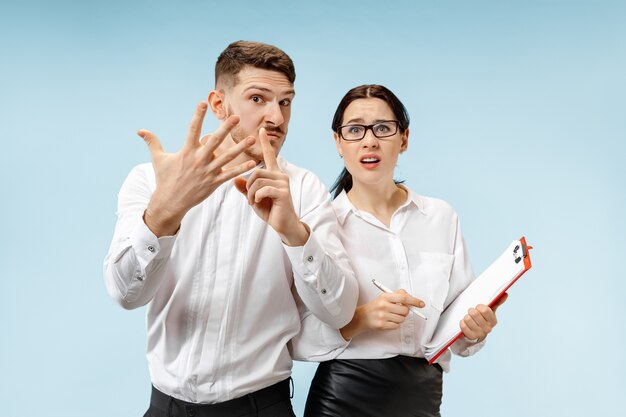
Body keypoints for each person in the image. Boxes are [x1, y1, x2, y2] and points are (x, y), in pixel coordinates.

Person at [103, 41, 358, 417]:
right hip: (165, 407)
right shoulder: (151, 180)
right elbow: (125, 293)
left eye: (285, 102)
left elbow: (339, 312)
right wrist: (163, 212)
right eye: (258, 99)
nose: (277, 117)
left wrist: (295, 234)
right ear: (219, 105)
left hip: (261, 407)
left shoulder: (304, 189)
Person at [291, 84, 507, 417]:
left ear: (403, 138)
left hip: (422, 396)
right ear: (338, 142)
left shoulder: (441, 217)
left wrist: (475, 330)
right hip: (344, 398)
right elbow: (296, 337)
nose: (369, 140)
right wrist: (359, 320)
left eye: (382, 128)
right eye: (354, 130)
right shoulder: (319, 225)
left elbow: (457, 331)